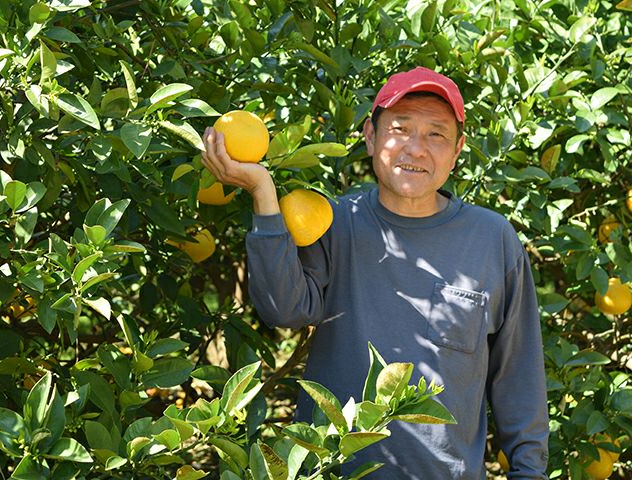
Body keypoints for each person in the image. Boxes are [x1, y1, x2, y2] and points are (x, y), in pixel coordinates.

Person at [201, 66, 549, 479]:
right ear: (370, 136)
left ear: (457, 150)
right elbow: (283, 309)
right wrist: (263, 193)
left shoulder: (491, 238)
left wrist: (529, 472)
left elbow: (518, 374)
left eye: (436, 134)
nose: (416, 149)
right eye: (400, 129)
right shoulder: (333, 223)